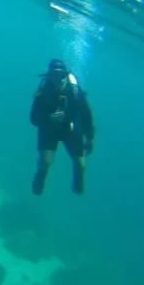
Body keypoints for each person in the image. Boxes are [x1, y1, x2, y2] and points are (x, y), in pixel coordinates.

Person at [29, 59, 95, 195]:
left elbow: (85, 113)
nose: (57, 78)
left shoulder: (75, 91)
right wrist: (48, 118)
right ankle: (39, 181)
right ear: (49, 75)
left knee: (80, 164)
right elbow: (33, 118)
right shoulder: (43, 91)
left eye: (60, 74)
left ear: (65, 75)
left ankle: (78, 189)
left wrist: (89, 137)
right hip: (49, 129)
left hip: (70, 128)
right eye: (54, 74)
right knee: (45, 162)